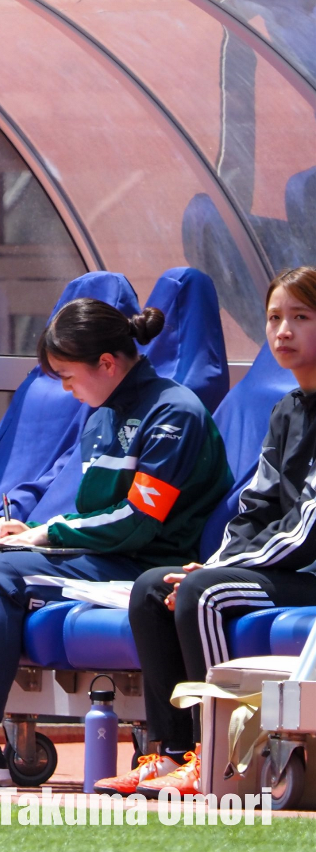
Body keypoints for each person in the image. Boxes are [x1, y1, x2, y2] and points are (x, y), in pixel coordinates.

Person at [0, 299, 232, 790]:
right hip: (103, 560)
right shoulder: (101, 415)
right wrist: (27, 533)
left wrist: (45, 533)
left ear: (106, 364)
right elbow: (95, 517)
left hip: (148, 568)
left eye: (67, 375)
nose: (65, 389)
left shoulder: (175, 413)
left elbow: (136, 522)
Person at [97, 267, 316, 798]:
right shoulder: (288, 408)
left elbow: (309, 524)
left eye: (300, 317)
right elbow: (257, 505)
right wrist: (217, 558)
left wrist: (219, 570)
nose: (282, 330)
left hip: (307, 570)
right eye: (273, 318)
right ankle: (166, 753)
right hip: (281, 567)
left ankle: (215, 756)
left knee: (203, 592)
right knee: (154, 587)